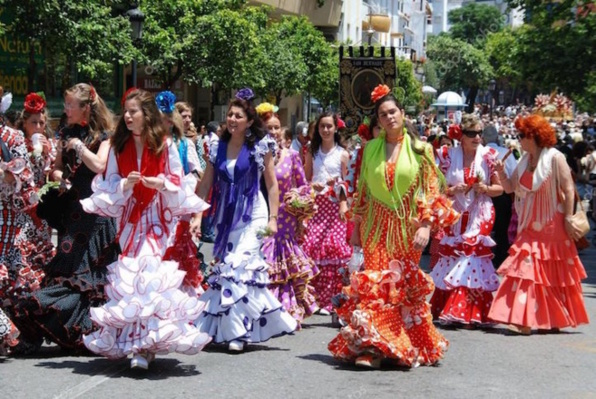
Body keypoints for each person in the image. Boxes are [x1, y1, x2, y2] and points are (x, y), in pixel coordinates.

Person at [81, 89, 211, 369]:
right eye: (125, 111)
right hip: (129, 217)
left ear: (146, 115)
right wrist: (123, 185)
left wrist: (160, 183)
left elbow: (179, 178)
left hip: (156, 215)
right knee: (132, 277)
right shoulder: (118, 144)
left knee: (147, 270)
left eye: (133, 111)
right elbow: (109, 180)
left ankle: (145, 345)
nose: (127, 116)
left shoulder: (164, 144)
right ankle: (139, 342)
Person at [328, 85, 456, 369]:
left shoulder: (421, 150)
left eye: (392, 111)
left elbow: (430, 191)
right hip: (375, 227)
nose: (388, 118)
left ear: (402, 113)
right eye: (382, 114)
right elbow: (362, 192)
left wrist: (425, 225)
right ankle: (373, 348)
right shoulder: (370, 148)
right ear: (378, 120)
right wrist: (358, 228)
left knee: (400, 286)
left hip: (406, 230)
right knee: (376, 285)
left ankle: (402, 344)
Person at [14, 83, 120, 352]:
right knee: (69, 271)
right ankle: (67, 330)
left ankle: (89, 333)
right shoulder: (64, 132)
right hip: (72, 213)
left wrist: (79, 147)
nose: (66, 109)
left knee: (91, 276)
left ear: (86, 107)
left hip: (96, 215)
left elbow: (100, 165)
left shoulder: (105, 135)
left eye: (71, 104)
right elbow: (57, 169)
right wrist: (61, 179)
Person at [191, 89, 297, 352]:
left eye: (238, 115)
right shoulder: (216, 147)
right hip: (227, 217)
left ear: (249, 122)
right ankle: (234, 328)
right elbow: (205, 184)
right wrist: (196, 216)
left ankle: (237, 333)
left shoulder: (261, 147)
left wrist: (273, 219)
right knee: (228, 269)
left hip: (254, 214)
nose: (232, 119)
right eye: (230, 114)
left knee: (240, 265)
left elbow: (272, 186)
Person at [488, 115, 589, 334]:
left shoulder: (555, 157)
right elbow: (509, 188)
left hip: (553, 224)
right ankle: (524, 319)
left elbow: (569, 188)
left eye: (522, 135)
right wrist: (500, 171)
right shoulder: (524, 160)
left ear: (533, 136)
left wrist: (569, 218)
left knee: (552, 276)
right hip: (529, 225)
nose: (519, 139)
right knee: (524, 269)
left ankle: (549, 318)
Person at [430, 115, 503, 327]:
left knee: (471, 255)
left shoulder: (489, 156)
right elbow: (434, 187)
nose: (477, 137)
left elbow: (501, 189)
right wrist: (452, 190)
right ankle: (452, 307)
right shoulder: (446, 155)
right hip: (454, 212)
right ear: (460, 136)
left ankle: (464, 309)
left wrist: (486, 189)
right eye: (472, 133)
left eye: (480, 133)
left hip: (480, 212)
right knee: (454, 255)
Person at [258, 103, 319, 328]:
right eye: (268, 128)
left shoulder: (292, 156)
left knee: (283, 262)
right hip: (260, 214)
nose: (273, 132)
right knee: (263, 260)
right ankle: (263, 309)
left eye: (276, 128)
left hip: (285, 218)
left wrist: (299, 204)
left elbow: (304, 185)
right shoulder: (256, 154)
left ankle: (286, 309)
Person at [302, 112, 352, 315]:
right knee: (313, 247)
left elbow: (347, 181)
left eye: (329, 126)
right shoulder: (311, 152)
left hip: (334, 205)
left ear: (335, 128)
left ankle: (332, 298)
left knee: (333, 249)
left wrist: (341, 199)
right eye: (322, 126)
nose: (325, 130)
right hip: (316, 205)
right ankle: (314, 298)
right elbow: (305, 179)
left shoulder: (343, 154)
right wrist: (311, 186)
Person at [157, 91, 204, 295]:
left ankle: (181, 297)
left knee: (178, 248)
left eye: (168, 120)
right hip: (157, 204)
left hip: (179, 204)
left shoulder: (184, 144)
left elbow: (198, 175)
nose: (164, 125)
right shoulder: (152, 144)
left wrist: (196, 211)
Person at [0, 118, 37, 354]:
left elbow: (24, 178)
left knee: (12, 283)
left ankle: (8, 332)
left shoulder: (12, 137)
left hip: (6, 218)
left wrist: (6, 172)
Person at [14, 93, 56, 277]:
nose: (38, 127)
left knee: (42, 247)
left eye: (41, 123)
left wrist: (47, 154)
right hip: (21, 205)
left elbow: (52, 173)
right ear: (24, 124)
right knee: (22, 246)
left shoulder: (51, 144)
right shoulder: (17, 144)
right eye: (34, 122)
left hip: (42, 204)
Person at [483, 125, 517, 268]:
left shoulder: (481, 152)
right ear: (497, 138)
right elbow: (515, 173)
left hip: (485, 193)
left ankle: (484, 255)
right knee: (503, 227)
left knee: (485, 227)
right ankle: (501, 257)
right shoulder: (505, 152)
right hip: (503, 194)